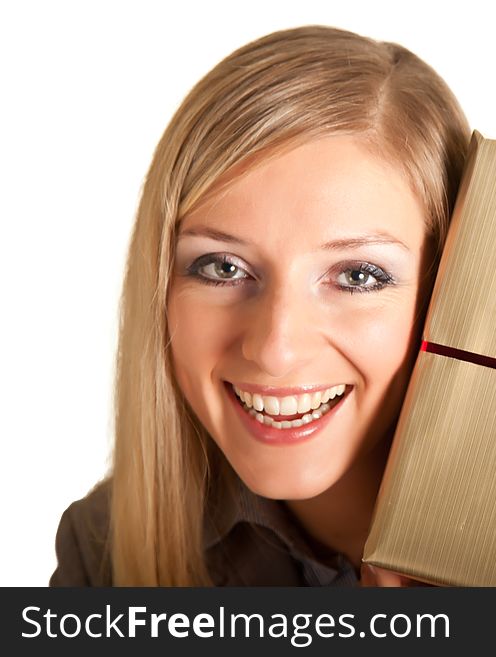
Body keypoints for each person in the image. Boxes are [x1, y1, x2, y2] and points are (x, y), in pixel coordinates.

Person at [50, 25, 470, 586]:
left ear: (450, 285)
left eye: (357, 275)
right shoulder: (101, 551)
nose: (275, 349)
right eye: (223, 267)